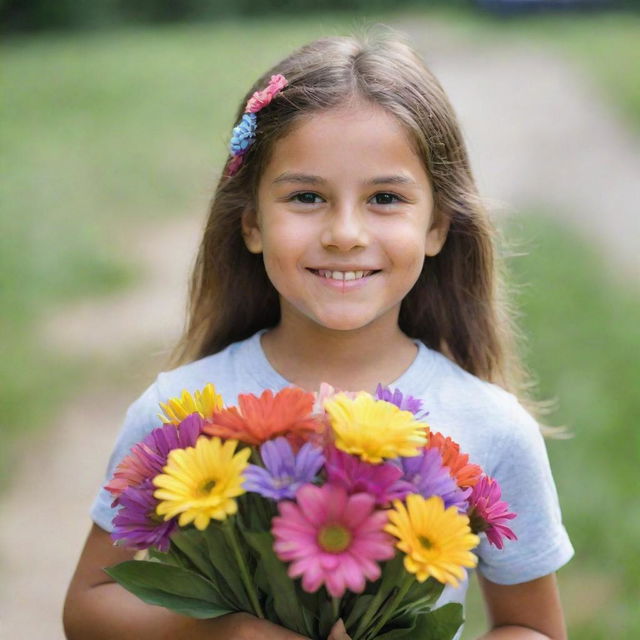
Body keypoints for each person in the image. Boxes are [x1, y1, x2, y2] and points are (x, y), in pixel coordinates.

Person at [63, 30, 574, 640]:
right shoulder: (181, 414)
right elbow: (89, 607)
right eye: (307, 197)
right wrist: (226, 633)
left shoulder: (492, 428)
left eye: (385, 197)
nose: (345, 234)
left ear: (437, 226)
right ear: (252, 223)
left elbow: (533, 628)